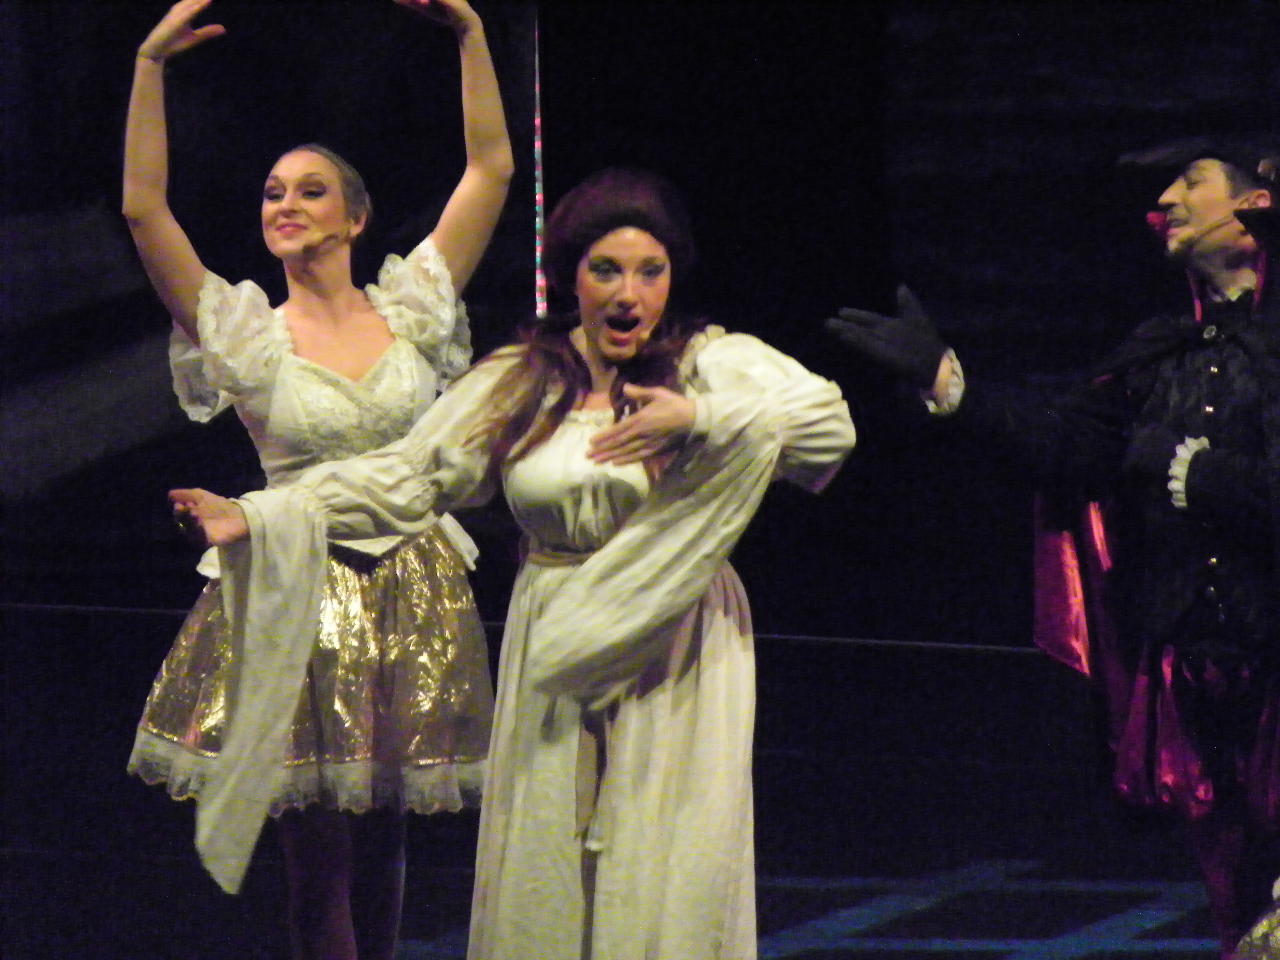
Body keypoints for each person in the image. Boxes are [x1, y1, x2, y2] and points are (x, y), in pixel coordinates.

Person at [171, 167, 857, 959]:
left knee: (668, 854)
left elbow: (825, 431)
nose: (629, 293)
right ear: (571, 277)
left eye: (651, 271)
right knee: (549, 858)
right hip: (556, 633)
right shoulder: (527, 377)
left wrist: (699, 417)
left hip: (678, 641)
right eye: (607, 270)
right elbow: (408, 478)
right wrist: (258, 515)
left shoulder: (709, 362)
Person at [120, 0, 512, 957]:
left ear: (356, 216)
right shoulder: (248, 334)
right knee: (316, 860)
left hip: (411, 586)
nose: (284, 205)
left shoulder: (411, 310)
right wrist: (148, 67)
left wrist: (471, 34)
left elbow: (492, 169)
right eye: (271, 194)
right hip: (301, 590)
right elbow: (144, 209)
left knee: (387, 845)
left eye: (309, 190)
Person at [826, 135, 1280, 958]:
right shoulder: (1161, 351)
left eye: (1193, 181)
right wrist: (947, 382)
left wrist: (1198, 475)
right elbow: (1067, 447)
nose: (1167, 201)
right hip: (1202, 673)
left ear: (1255, 204)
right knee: (1238, 914)